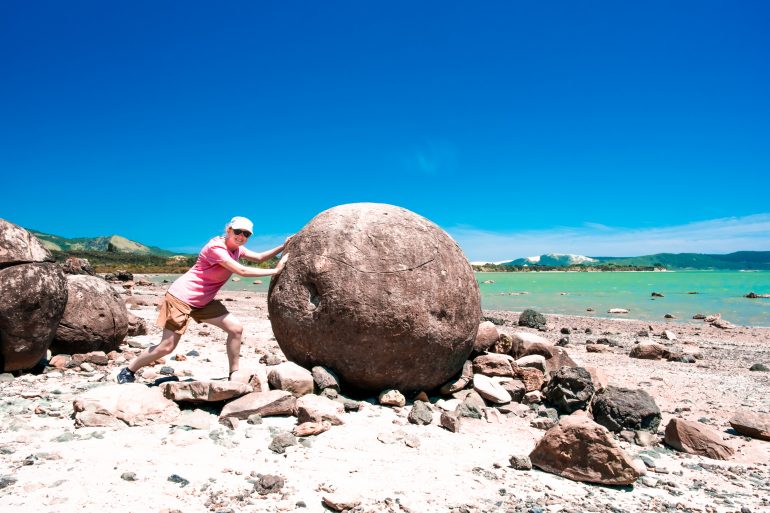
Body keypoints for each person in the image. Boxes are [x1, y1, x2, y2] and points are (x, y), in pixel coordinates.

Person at [116, 216, 290, 384]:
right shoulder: (216, 248)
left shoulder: (237, 249)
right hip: (181, 298)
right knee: (167, 347)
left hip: (203, 302)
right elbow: (242, 271)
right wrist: (275, 271)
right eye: (238, 231)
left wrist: (283, 246)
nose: (242, 236)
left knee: (236, 329)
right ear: (229, 230)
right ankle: (129, 370)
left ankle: (233, 373)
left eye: (247, 234)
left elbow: (259, 258)